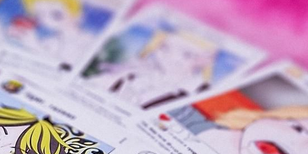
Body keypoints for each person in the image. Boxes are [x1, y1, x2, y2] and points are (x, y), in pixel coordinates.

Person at [87, 28, 217, 109]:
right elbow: (97, 83)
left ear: (203, 61)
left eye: (187, 55)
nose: (172, 57)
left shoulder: (199, 92)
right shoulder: (134, 74)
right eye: (164, 47)